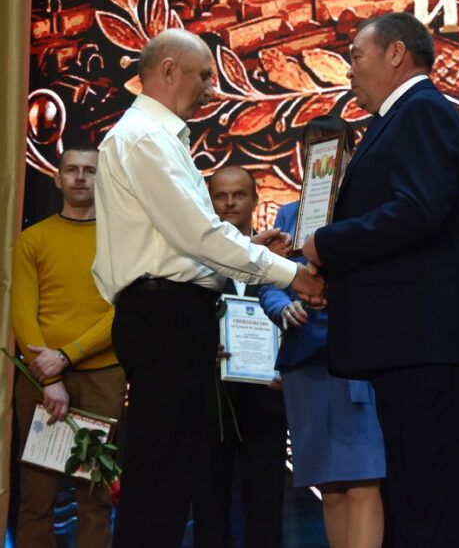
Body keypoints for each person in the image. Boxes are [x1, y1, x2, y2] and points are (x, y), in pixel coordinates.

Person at [91, 28, 326, 548]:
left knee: (170, 479)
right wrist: (291, 273)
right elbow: (198, 236)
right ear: (168, 70)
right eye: (203, 76)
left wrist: (248, 250)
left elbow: (183, 241)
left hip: (171, 313)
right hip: (164, 316)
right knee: (159, 482)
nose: (211, 89)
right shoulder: (145, 138)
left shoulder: (154, 137)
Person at [302, 12, 459, 548]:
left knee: (429, 503)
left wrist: (327, 245)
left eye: (355, 57)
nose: (348, 72)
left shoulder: (421, 111)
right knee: (413, 500)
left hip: (426, 341)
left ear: (395, 54)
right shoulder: (401, 117)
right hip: (409, 344)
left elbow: (417, 211)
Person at [260, 115, 386, 548]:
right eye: (312, 148)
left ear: (350, 152)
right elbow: (270, 283)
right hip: (305, 363)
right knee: (329, 485)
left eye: (333, 146)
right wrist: (285, 307)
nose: (323, 158)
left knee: (364, 478)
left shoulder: (367, 212)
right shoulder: (289, 215)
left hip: (359, 360)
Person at [10, 145, 126, 547]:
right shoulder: (33, 239)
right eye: (72, 169)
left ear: (102, 179)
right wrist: (49, 376)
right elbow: (23, 313)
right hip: (39, 379)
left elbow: (121, 311)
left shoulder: (120, 241)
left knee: (95, 497)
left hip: (102, 377)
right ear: (57, 179)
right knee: (36, 498)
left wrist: (66, 355)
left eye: (90, 170)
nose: (80, 177)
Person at [191, 165, 288, 548]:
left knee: (266, 502)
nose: (230, 202)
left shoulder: (277, 256)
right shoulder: (192, 259)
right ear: (209, 201)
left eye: (239, 194)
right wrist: (200, 346)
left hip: (267, 395)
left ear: (255, 199)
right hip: (210, 397)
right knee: (209, 503)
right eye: (221, 195)